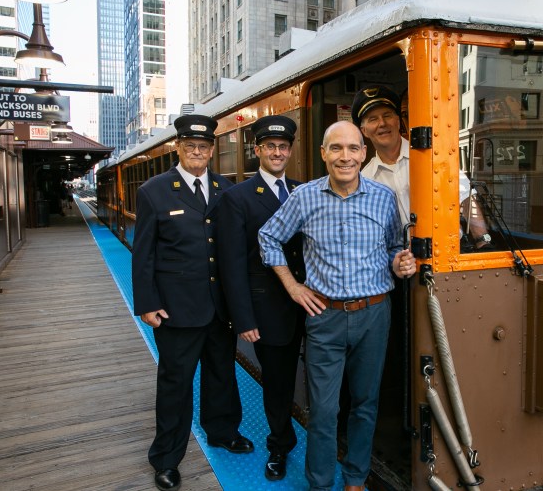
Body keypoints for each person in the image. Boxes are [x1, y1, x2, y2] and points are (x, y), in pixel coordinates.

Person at [259, 121, 417, 491]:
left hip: (375, 314)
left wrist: (399, 263)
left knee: (365, 403)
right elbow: (267, 237)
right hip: (325, 317)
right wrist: (293, 286)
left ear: (363, 154)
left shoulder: (382, 197)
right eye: (336, 148)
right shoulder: (305, 197)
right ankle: (320, 483)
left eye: (352, 148)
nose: (345, 156)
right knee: (325, 410)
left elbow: (394, 246)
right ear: (323, 154)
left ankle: (356, 480)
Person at [132, 114, 252, 491]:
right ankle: (166, 457)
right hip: (176, 309)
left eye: (203, 147)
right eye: (190, 146)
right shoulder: (155, 190)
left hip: (218, 308)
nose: (197, 152)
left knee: (222, 376)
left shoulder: (224, 189)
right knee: (175, 385)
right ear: (178, 148)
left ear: (212, 150)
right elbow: (144, 253)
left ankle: (222, 432)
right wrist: (147, 303)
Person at [217, 115, 305, 481]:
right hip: (268, 308)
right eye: (270, 146)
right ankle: (279, 446)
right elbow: (232, 264)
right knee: (279, 383)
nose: (277, 153)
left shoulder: (304, 190)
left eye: (283, 147)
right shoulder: (236, 198)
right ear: (257, 151)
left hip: (312, 305)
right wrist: (244, 318)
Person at [353, 85, 494, 250]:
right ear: (364, 131)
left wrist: (483, 241)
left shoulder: (433, 156)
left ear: (398, 121)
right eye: (373, 119)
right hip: (399, 263)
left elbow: (465, 198)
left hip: (447, 254)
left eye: (387, 115)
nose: (382, 123)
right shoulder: (365, 178)